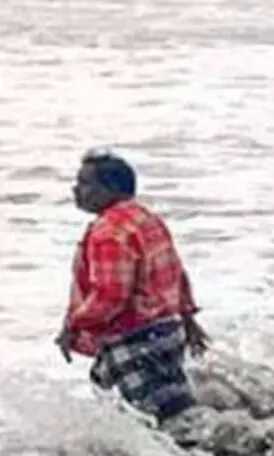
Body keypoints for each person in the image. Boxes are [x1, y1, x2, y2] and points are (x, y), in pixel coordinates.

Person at [56, 150, 210, 425]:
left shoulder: (108, 232)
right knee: (173, 412)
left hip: (134, 340)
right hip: (166, 331)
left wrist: (73, 324)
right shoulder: (145, 218)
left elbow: (111, 296)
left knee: (165, 424)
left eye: (85, 183)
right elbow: (175, 271)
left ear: (111, 189)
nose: (76, 189)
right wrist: (187, 318)